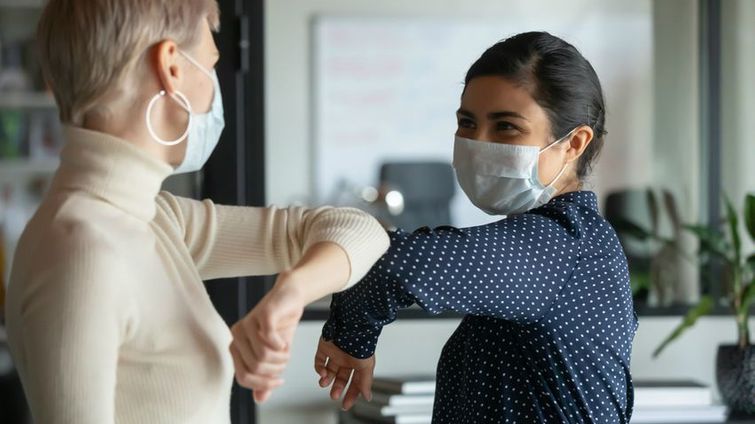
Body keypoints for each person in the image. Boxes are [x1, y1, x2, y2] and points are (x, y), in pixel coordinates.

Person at [3, 1, 389, 423]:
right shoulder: (80, 248)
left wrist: (289, 294)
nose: (213, 85)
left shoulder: (151, 218)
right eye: (211, 63)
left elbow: (361, 229)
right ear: (171, 66)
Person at [246, 31, 638, 423]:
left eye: (506, 127)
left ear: (574, 144)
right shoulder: (567, 244)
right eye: (467, 123)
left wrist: (349, 336)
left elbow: (390, 263)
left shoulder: (563, 245)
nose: (478, 142)